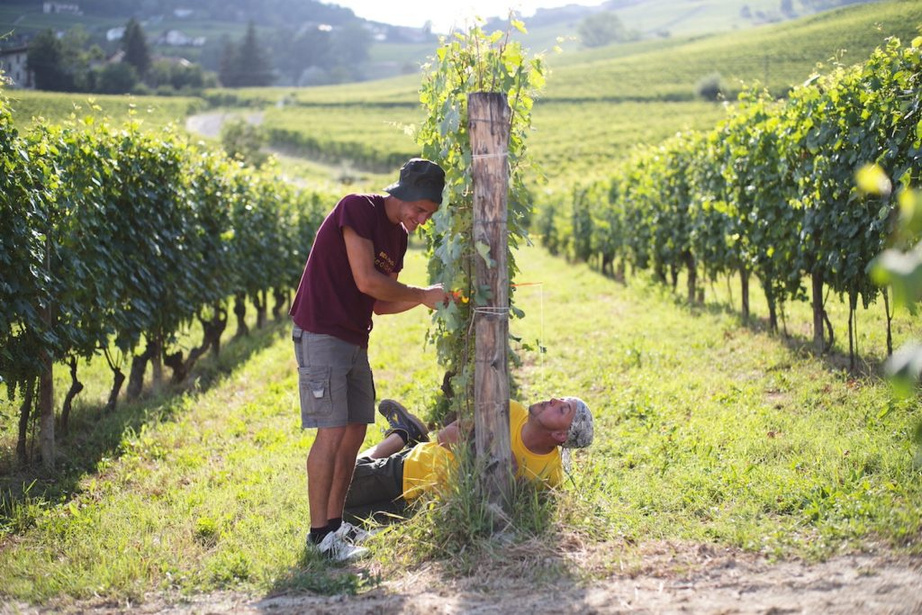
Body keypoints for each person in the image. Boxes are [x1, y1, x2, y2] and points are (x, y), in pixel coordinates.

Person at [290, 158, 449, 562]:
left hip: (355, 336)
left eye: (429, 214)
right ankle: (317, 538)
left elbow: (378, 302)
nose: (423, 219)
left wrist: (423, 302)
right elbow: (365, 279)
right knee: (331, 432)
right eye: (422, 210)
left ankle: (335, 524)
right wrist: (420, 293)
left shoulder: (397, 239)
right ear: (407, 196)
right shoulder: (357, 208)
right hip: (323, 330)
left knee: (356, 431)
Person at [342, 395, 595, 526]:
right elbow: (446, 435)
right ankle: (402, 435)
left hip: (425, 509)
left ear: (561, 435)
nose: (553, 401)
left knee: (345, 519)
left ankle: (406, 434)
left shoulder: (549, 474)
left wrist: (509, 483)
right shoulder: (510, 410)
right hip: (415, 469)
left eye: (563, 409)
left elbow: (524, 514)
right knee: (339, 487)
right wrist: (489, 459)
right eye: (560, 399)